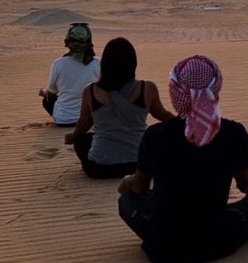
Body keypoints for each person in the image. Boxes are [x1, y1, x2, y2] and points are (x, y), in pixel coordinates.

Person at [118, 55, 248, 263]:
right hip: (216, 241)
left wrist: (126, 183)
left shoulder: (155, 134)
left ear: (175, 91)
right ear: (216, 89)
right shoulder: (234, 133)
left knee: (127, 199)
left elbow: (138, 187)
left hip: (161, 244)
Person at [64, 38, 175, 178]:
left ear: (105, 64)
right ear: (132, 62)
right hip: (139, 166)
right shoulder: (147, 88)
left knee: (82, 140)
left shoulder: (91, 90)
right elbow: (163, 116)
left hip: (99, 168)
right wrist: (183, 125)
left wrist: (73, 136)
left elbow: (84, 123)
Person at [38, 23, 101, 127]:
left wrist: (43, 93)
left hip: (64, 120)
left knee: (47, 100)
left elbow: (51, 94)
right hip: (92, 120)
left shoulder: (58, 63)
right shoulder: (99, 63)